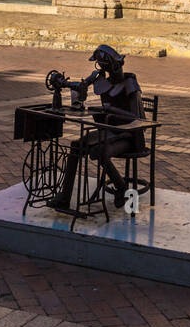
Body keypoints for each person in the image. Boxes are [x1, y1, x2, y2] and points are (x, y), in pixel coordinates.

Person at [47, 45, 145, 210]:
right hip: (110, 131)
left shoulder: (130, 83)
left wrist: (110, 110)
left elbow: (136, 119)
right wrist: (87, 82)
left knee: (100, 151)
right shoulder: (104, 81)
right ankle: (64, 196)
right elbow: (83, 92)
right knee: (76, 146)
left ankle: (121, 187)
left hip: (129, 137)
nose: (107, 72)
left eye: (106, 67)